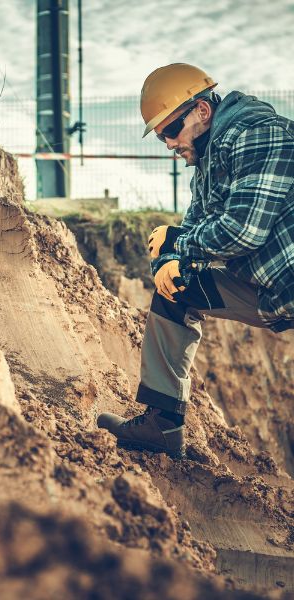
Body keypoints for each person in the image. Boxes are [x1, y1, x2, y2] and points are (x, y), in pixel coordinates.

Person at [97, 63, 294, 459]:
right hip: (273, 290)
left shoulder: (259, 134)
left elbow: (243, 230)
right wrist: (169, 253)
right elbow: (187, 237)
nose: (168, 143)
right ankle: (162, 425)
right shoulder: (205, 167)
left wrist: (178, 245)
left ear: (202, 111)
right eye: (160, 136)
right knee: (176, 289)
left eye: (172, 130)